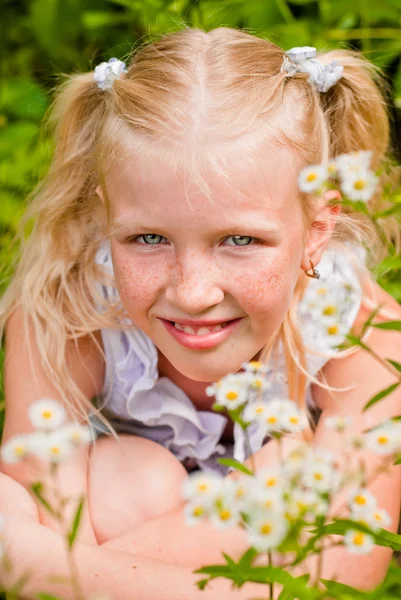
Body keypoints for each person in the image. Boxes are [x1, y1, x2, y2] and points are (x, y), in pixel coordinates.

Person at [0, 26, 401, 599]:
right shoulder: (67, 304)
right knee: (128, 475)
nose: (192, 293)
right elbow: (46, 502)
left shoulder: (362, 326)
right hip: (144, 506)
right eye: (147, 238)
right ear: (106, 215)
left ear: (317, 230)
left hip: (242, 515)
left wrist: (44, 569)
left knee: (286, 472)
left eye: (239, 240)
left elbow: (347, 569)